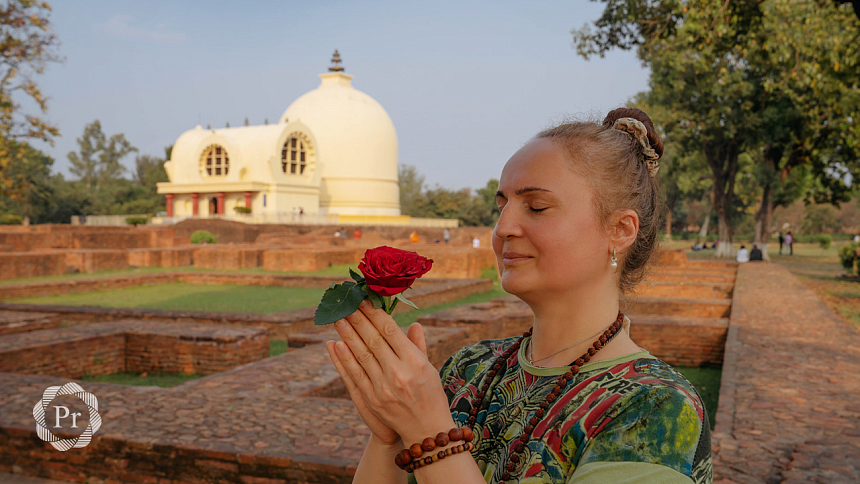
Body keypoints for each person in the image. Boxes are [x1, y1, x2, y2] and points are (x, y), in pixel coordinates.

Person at [326, 108, 712, 484]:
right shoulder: (469, 368)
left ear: (620, 230)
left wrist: (427, 430)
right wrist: (388, 435)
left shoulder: (653, 406)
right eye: (502, 206)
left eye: (537, 207)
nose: (503, 227)